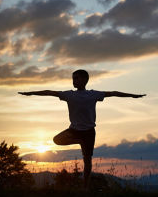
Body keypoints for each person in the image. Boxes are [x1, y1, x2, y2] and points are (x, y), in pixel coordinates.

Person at [18, 69, 146, 188]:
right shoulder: (69, 95)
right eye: (73, 79)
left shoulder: (93, 94)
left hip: (89, 132)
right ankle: (79, 140)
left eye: (76, 78)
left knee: (87, 161)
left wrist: (133, 95)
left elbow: (113, 93)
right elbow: (49, 92)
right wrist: (30, 93)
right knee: (56, 140)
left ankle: (86, 187)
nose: (74, 81)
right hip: (74, 131)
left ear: (85, 80)